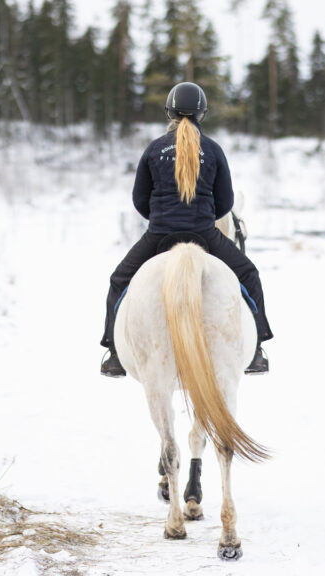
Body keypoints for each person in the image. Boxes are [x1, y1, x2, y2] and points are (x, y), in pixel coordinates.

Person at [100, 82, 273, 378]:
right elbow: (225, 204)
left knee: (119, 279)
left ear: (169, 111)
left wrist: (159, 219)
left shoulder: (154, 149)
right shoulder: (214, 150)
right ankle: (257, 350)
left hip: (159, 237)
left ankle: (114, 354)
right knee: (248, 275)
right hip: (204, 235)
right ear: (201, 114)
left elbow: (139, 200)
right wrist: (203, 218)